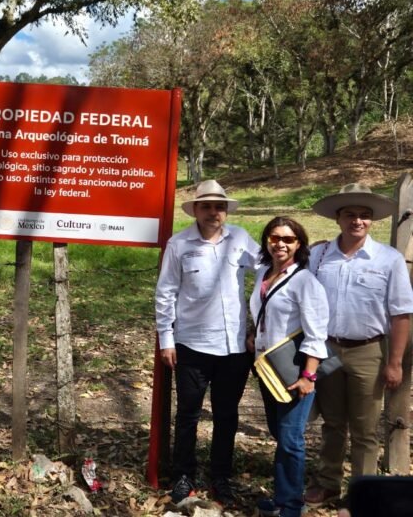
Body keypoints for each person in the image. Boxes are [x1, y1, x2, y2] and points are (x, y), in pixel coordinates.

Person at [304, 183, 413, 507]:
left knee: (365, 429)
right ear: (338, 218)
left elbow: (401, 313)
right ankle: (328, 484)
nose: (357, 221)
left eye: (364, 216)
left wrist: (394, 362)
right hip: (328, 349)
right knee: (333, 423)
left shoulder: (388, 259)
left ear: (372, 221)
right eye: (350, 214)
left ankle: (362, 493)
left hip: (369, 351)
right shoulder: (319, 256)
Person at [155, 180, 259, 505]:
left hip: (234, 348)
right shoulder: (179, 244)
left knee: (227, 415)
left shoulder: (241, 238)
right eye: (207, 206)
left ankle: (220, 478)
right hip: (192, 344)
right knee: (188, 414)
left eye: (219, 206)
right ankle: (183, 475)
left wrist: (262, 321)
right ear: (196, 210)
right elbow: (166, 291)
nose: (214, 212)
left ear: (225, 211)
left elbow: (271, 269)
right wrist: (166, 338)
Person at [248, 217, 329, 517]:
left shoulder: (305, 281)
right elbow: (262, 313)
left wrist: (309, 375)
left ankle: (291, 505)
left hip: (295, 372)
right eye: (274, 237)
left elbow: (316, 331)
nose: (280, 244)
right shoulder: (263, 274)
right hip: (268, 368)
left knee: (291, 439)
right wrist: (253, 335)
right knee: (278, 433)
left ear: (299, 244)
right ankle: (283, 497)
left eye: (288, 239)